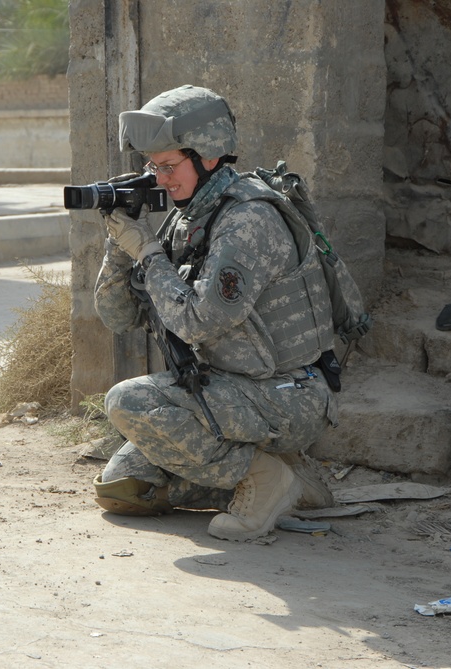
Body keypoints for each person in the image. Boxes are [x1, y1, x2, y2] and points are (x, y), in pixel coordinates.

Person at [92, 85, 338, 542]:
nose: (160, 179)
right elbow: (119, 317)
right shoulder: (187, 219)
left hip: (284, 394)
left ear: (208, 157)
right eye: (152, 166)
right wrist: (119, 243)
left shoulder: (247, 220)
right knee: (123, 489)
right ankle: (291, 482)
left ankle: (264, 479)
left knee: (127, 402)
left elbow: (197, 321)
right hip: (220, 390)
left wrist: (148, 253)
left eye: (169, 166)